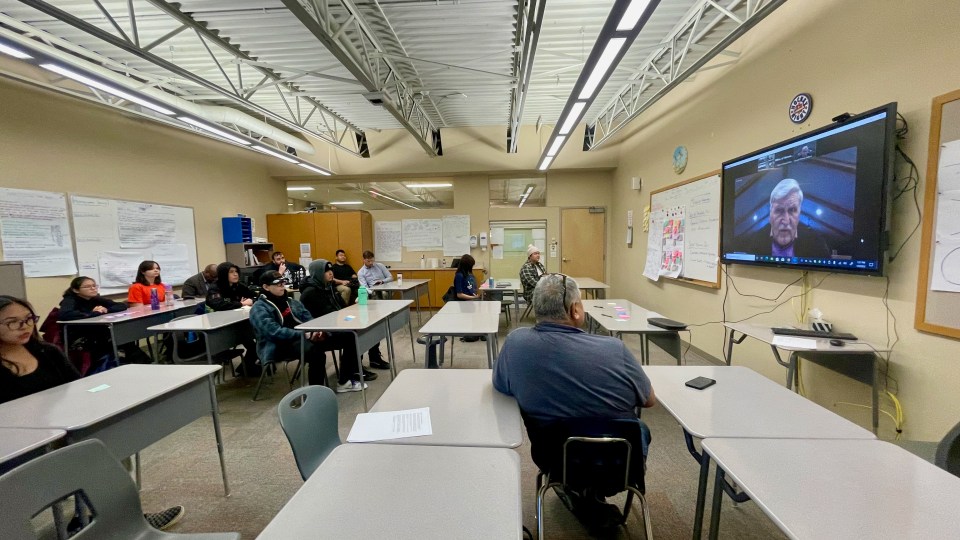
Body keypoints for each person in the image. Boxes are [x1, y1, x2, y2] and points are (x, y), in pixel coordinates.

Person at [0, 295, 185, 531]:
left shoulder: (47, 352)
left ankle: (114, 518)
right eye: (12, 322)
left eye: (28, 319)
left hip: (60, 432)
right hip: (16, 448)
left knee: (109, 445)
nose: (25, 327)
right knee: (86, 458)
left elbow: (78, 390)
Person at [492, 274, 656, 528]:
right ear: (575, 309)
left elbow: (501, 386)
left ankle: (579, 492)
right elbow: (648, 400)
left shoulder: (515, 344)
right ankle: (591, 495)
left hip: (554, 459)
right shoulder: (615, 349)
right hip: (620, 465)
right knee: (639, 428)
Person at [299, 259, 388, 391]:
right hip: (320, 334)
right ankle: (345, 380)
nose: (330, 273)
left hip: (333, 327)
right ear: (318, 273)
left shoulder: (328, 287)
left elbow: (341, 309)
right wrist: (346, 317)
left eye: (331, 271)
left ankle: (357, 367)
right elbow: (326, 315)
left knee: (365, 328)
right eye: (326, 271)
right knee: (351, 336)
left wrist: (354, 307)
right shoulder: (310, 293)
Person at [249, 271, 348, 389]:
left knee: (347, 336)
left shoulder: (291, 301)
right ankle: (316, 394)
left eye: (283, 282)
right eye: (277, 283)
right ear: (266, 287)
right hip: (278, 345)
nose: (282, 285)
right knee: (316, 353)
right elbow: (274, 332)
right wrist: (305, 334)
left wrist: (317, 331)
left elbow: (309, 320)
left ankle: (345, 381)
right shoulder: (259, 308)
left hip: (301, 337)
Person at [746, 178, 831, 258]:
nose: (786, 221)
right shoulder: (756, 240)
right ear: (770, 214)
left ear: (799, 213)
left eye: (792, 210)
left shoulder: (816, 242)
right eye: (779, 210)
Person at [205, 262, 261, 376]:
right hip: (219, 326)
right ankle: (246, 369)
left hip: (237, 322)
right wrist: (241, 303)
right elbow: (219, 304)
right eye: (231, 272)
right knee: (252, 344)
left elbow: (256, 296)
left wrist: (250, 301)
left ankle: (245, 368)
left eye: (236, 272)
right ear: (223, 274)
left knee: (257, 344)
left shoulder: (238, 286)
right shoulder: (215, 288)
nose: (235, 275)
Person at [57, 276, 128, 368]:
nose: (93, 288)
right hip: (78, 335)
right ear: (76, 290)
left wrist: (105, 310)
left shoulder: (95, 298)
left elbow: (121, 305)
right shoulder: (69, 300)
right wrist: (94, 313)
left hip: (94, 330)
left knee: (121, 336)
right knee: (110, 336)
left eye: (94, 286)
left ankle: (126, 361)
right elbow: (65, 315)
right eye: (88, 287)